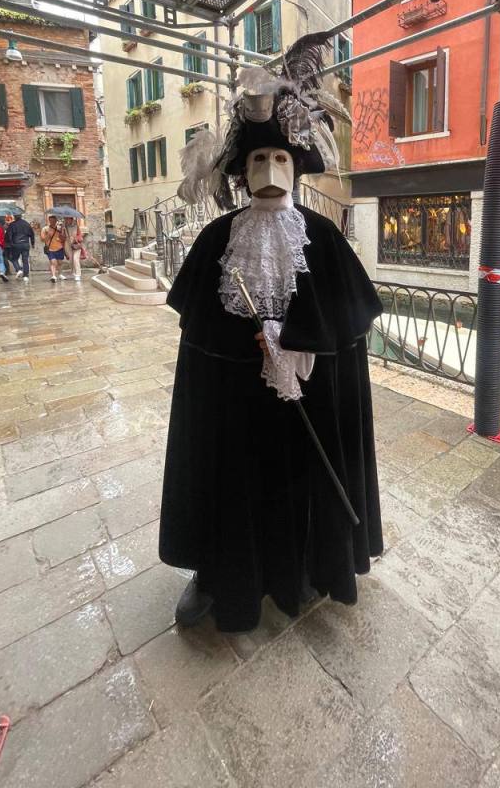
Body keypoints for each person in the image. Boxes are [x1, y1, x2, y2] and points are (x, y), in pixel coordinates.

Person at [160, 33, 383, 634]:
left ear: (297, 166)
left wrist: (301, 348)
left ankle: (310, 563)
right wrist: (249, 351)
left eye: (280, 159)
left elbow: (346, 328)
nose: (269, 170)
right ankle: (220, 573)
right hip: (233, 408)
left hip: (305, 401)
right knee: (228, 480)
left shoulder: (324, 237)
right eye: (258, 159)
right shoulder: (216, 239)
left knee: (302, 480)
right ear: (241, 170)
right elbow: (198, 341)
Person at [5, 212, 35, 281]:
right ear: (21, 216)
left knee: (14, 258)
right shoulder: (26, 224)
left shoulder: (12, 224)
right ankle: (26, 276)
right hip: (25, 244)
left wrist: (10, 243)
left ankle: (18, 269)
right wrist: (32, 243)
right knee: (25, 260)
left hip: (16, 244)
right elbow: (32, 234)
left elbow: (9, 235)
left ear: (14, 217)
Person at [41, 214, 67, 283]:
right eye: (51, 221)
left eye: (54, 221)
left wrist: (62, 234)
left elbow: (64, 238)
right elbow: (42, 239)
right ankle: (53, 276)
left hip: (59, 247)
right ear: (49, 221)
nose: (52, 222)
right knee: (53, 262)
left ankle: (60, 274)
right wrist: (48, 235)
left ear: (56, 221)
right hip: (50, 248)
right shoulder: (45, 229)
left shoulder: (60, 228)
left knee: (60, 262)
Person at [64, 218, 85, 282]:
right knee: (71, 259)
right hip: (68, 244)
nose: (67, 220)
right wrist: (62, 230)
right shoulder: (64, 226)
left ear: (71, 219)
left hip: (76, 244)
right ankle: (73, 272)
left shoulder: (76, 226)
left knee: (75, 259)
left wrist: (76, 238)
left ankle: (78, 274)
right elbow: (62, 236)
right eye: (66, 219)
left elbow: (80, 235)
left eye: (68, 219)